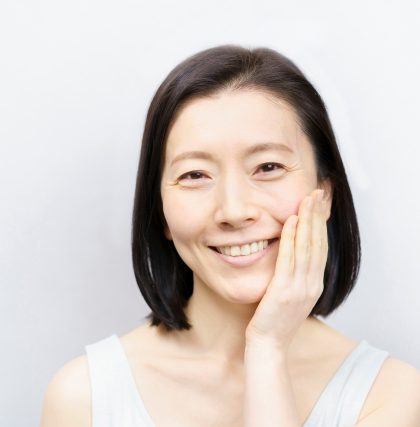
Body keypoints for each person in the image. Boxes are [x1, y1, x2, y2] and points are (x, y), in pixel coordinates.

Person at [40, 45, 420, 427]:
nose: (234, 211)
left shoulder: (388, 395)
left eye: (268, 167)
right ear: (161, 213)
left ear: (325, 194)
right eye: (194, 175)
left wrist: (267, 349)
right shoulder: (85, 398)